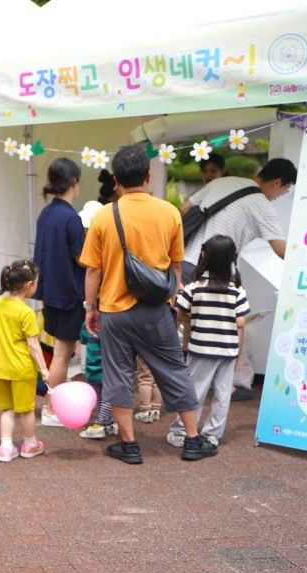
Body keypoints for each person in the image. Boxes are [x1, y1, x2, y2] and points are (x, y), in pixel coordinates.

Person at [80, 145, 216, 464]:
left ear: (116, 180)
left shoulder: (103, 216)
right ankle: (192, 439)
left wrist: (90, 307)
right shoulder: (169, 212)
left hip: (114, 311)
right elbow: (176, 266)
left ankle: (129, 445)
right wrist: (172, 300)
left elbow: (93, 270)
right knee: (173, 371)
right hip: (155, 310)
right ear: (148, 177)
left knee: (118, 375)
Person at [180, 157, 296, 402]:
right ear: (277, 182)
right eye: (285, 190)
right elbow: (281, 250)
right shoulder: (261, 204)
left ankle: (181, 383)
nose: (280, 195)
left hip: (185, 263)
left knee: (185, 324)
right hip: (218, 275)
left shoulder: (222, 182)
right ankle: (226, 384)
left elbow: (184, 210)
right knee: (235, 325)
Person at [167, 235, 249, 448]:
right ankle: (213, 433)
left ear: (205, 255)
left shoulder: (195, 287)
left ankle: (182, 431)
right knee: (222, 393)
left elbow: (179, 312)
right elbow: (241, 321)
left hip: (200, 348)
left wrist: (195, 318)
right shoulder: (236, 290)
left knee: (194, 391)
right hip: (228, 350)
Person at [32, 157, 85, 427]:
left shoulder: (46, 214)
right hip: (68, 294)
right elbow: (82, 258)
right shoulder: (70, 218)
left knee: (58, 352)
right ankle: (53, 409)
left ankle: (52, 406)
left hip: (49, 292)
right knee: (62, 354)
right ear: (74, 183)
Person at [0, 260, 49, 462]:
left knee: (7, 408)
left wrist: (2, 340)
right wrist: (44, 369)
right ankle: (30, 444)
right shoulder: (26, 312)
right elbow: (33, 345)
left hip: (1, 367)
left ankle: (6, 447)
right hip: (22, 368)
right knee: (26, 409)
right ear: (29, 285)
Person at [78, 323, 116, 439]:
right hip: (108, 367)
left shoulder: (87, 324)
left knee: (99, 397)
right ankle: (100, 424)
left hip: (92, 368)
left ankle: (107, 422)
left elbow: (83, 339)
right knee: (108, 398)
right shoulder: (111, 323)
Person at [134, 358, 162, 423]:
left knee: (145, 379)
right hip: (164, 353)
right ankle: (155, 410)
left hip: (147, 352)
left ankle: (145, 412)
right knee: (157, 380)